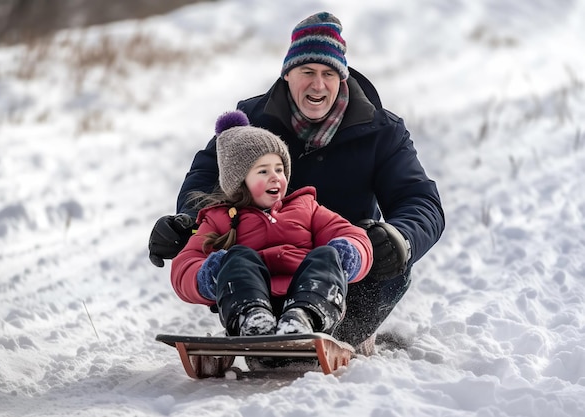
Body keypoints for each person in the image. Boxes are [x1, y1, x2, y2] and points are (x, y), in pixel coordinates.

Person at [149, 12, 445, 355]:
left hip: (343, 272)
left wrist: (400, 237)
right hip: (260, 269)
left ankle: (343, 336)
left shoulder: (382, 131)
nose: (318, 85)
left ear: (342, 79)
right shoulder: (252, 123)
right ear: (287, 74)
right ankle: (257, 327)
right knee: (235, 256)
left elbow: (420, 200)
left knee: (391, 257)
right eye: (307, 72)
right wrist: (188, 218)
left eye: (328, 74)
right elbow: (205, 176)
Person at [170, 110, 373, 340]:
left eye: (279, 169)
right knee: (237, 257)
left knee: (327, 254)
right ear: (240, 182)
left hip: (307, 296)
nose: (275, 177)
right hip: (249, 300)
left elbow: (350, 233)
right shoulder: (220, 218)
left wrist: (351, 253)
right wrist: (208, 275)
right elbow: (184, 265)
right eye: (263, 171)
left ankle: (304, 317)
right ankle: (254, 320)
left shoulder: (306, 207)